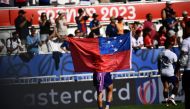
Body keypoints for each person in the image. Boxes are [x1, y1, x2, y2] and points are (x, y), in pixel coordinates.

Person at [158, 37, 179, 107]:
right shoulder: (173, 54)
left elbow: (158, 63)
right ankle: (172, 98)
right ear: (170, 46)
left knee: (165, 87)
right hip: (170, 72)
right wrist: (176, 73)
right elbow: (177, 65)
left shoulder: (160, 53)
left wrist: (159, 71)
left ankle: (167, 101)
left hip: (163, 72)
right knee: (176, 84)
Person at [176, 21, 190, 109]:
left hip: (189, 71)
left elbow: (183, 56)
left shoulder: (186, 41)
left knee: (188, 95)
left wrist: (177, 68)